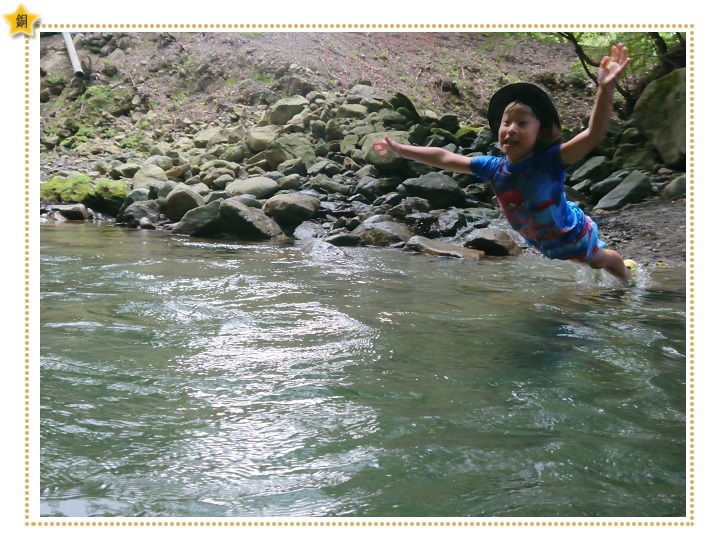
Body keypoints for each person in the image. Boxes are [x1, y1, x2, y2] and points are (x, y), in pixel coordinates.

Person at [373, 43, 634, 283]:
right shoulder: (493, 167)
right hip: (545, 242)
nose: (511, 129)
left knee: (598, 260)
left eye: (522, 123)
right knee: (582, 264)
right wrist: (401, 150)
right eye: (506, 122)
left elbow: (593, 135)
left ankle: (627, 279)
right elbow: (444, 157)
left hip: (570, 233)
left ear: (542, 132)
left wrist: (605, 89)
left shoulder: (549, 161)